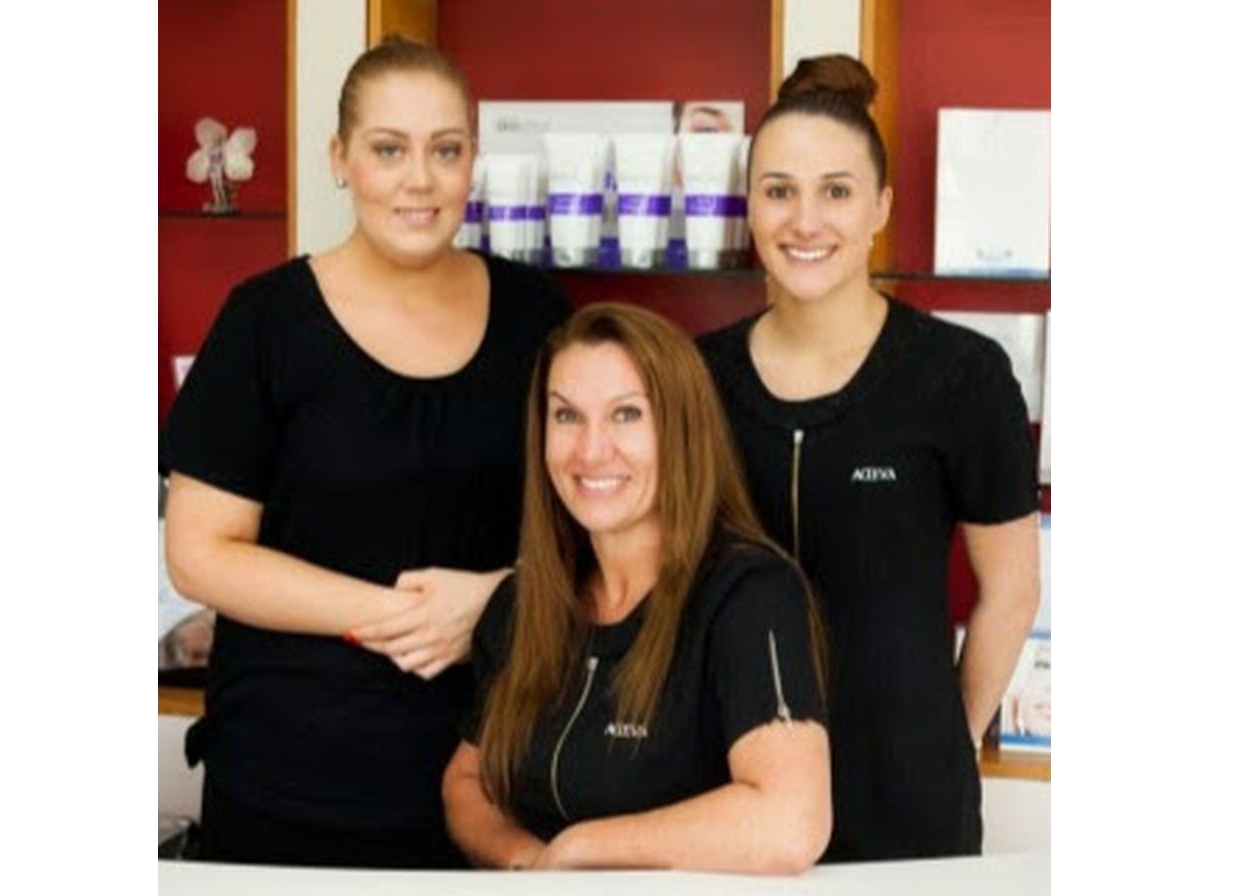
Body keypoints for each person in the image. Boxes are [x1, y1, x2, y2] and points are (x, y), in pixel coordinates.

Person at [159, 35, 570, 868]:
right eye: (388, 149)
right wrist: (409, 617)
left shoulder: (536, 315)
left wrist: (494, 601)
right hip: (289, 774)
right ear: (339, 158)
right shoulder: (265, 322)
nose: (419, 179)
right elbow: (199, 554)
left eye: (444, 150)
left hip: (492, 775)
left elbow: (599, 525)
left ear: (473, 159)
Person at [698, 55, 1041, 861]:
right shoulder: (696, 376)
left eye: (836, 192)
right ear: (749, 206)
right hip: (725, 790)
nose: (804, 221)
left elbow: (1012, 590)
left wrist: (944, 738)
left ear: (880, 206)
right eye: (778, 191)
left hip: (907, 798)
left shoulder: (959, 375)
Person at [442, 303, 831, 873]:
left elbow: (790, 820)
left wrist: (580, 850)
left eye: (626, 414)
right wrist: (529, 863)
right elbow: (467, 781)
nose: (591, 450)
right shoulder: (525, 602)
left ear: (681, 430)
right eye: (567, 416)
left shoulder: (750, 596)